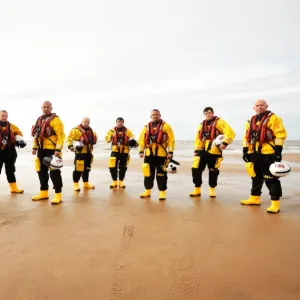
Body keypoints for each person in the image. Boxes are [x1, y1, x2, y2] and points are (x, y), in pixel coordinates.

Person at [240, 99, 287, 213]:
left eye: (261, 105)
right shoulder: (250, 120)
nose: (259, 107)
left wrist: (278, 151)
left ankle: (275, 203)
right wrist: (245, 150)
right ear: (254, 108)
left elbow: (279, 135)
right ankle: (254, 198)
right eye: (257, 105)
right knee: (255, 176)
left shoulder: (273, 118)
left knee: (271, 178)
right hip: (254, 153)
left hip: (268, 153)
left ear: (266, 106)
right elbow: (246, 137)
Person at [190, 107, 235, 198]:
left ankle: (212, 190)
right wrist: (196, 150)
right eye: (206, 113)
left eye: (209, 112)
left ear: (213, 113)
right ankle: (197, 190)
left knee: (213, 171)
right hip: (202, 151)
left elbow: (230, 133)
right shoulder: (201, 125)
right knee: (195, 169)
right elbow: (198, 139)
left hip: (215, 151)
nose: (208, 114)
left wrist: (225, 143)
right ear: (204, 115)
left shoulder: (220, 122)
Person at [31, 101, 65, 204]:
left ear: (51, 108)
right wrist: (34, 147)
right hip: (41, 149)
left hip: (52, 151)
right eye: (44, 107)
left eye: (48, 107)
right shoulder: (39, 120)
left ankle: (58, 195)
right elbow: (37, 135)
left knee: (54, 173)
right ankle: (44, 192)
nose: (45, 108)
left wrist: (58, 150)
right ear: (41, 107)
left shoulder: (56, 121)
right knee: (41, 171)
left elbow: (61, 136)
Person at [138, 109, 175, 200]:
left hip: (161, 155)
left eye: (157, 114)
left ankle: (162, 193)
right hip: (149, 154)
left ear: (160, 115)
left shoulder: (166, 126)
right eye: (153, 115)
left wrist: (170, 152)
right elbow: (142, 140)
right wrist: (141, 151)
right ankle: (147, 191)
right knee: (148, 173)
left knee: (161, 174)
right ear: (150, 116)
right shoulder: (146, 127)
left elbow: (171, 140)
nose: (155, 116)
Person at [105, 117, 138, 188]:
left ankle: (121, 182)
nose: (120, 123)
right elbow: (107, 139)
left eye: (121, 122)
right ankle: (114, 181)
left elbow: (133, 138)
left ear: (123, 123)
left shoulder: (128, 131)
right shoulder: (111, 131)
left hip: (125, 152)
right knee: (112, 167)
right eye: (118, 122)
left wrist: (133, 142)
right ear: (116, 123)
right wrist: (109, 137)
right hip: (115, 151)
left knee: (123, 167)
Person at [67, 117, 98, 191]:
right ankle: (75, 184)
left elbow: (95, 139)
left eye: (88, 122)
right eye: (85, 122)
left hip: (88, 153)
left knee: (87, 169)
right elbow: (69, 138)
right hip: (80, 153)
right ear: (82, 122)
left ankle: (86, 183)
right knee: (78, 169)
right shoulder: (75, 130)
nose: (87, 123)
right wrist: (70, 146)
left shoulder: (91, 131)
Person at [0, 110, 26, 193]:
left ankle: (14, 188)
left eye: (6, 116)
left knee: (11, 170)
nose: (4, 117)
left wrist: (20, 141)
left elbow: (19, 133)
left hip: (9, 150)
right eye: (2, 115)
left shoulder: (12, 126)